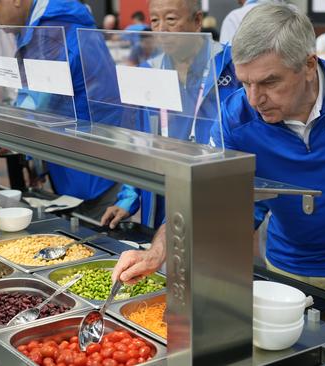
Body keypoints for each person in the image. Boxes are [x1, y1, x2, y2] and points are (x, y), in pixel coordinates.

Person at [113, 3, 325, 329]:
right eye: (245, 83)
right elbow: (203, 193)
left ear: (309, 64)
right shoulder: (235, 116)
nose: (254, 99)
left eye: (268, 82)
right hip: (285, 264)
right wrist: (158, 252)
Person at [101, 0, 241, 230]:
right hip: (162, 193)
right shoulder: (149, 71)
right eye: (155, 20)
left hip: (216, 192)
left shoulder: (230, 65)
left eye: (171, 20)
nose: (162, 29)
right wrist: (129, 197)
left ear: (197, 21)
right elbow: (140, 141)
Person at [0, 0, 122, 220]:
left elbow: (38, 103)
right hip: (79, 155)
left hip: (88, 162)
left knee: (91, 233)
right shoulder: (41, 26)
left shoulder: (52, 30)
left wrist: (2, 134)